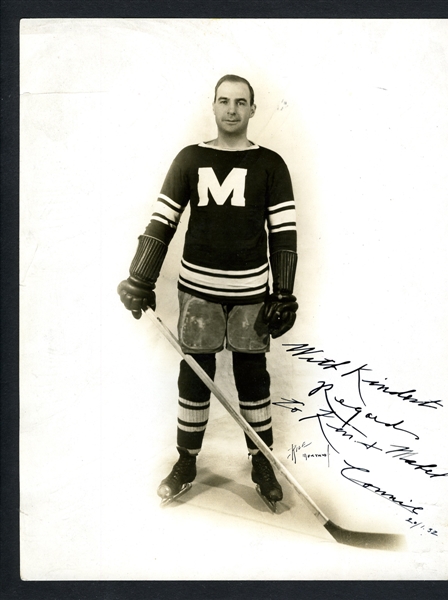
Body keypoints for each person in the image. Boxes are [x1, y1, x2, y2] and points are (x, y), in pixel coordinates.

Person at [117, 74, 298, 510]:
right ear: (213, 107)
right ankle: (186, 461)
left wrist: (284, 293)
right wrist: (139, 277)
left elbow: (284, 234)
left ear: (253, 110)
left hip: (252, 294)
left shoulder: (271, 164)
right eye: (224, 101)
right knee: (195, 377)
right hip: (198, 291)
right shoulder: (190, 159)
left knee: (252, 376)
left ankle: (261, 460)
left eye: (241, 102)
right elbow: (163, 220)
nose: (232, 109)